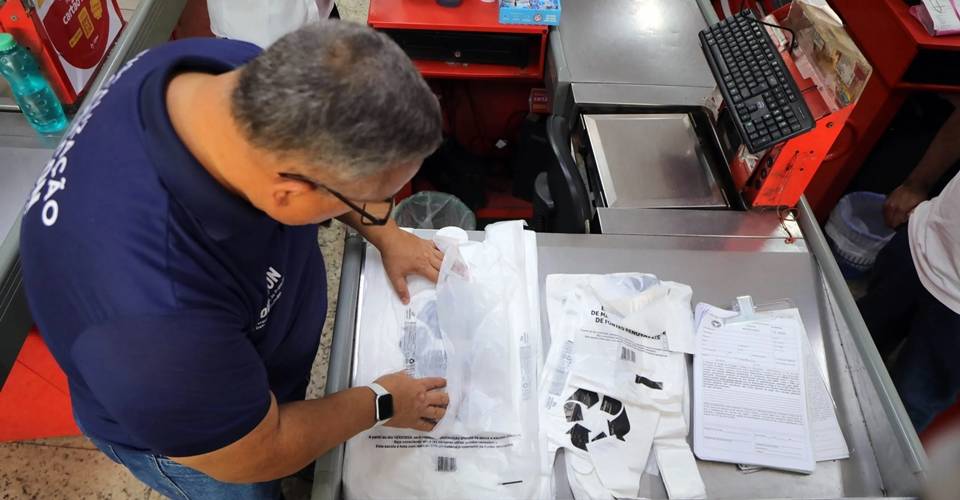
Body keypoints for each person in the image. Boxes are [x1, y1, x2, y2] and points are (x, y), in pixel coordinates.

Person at [20, 21, 447, 499]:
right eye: (376, 201)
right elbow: (260, 450)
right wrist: (382, 400)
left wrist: (386, 233)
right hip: (208, 444)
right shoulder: (154, 326)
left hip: (243, 358)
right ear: (288, 193)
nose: (377, 211)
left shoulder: (224, 76)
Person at [859, 98, 960, 431]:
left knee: (906, 410)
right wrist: (918, 182)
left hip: (956, 314)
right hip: (925, 239)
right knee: (849, 343)